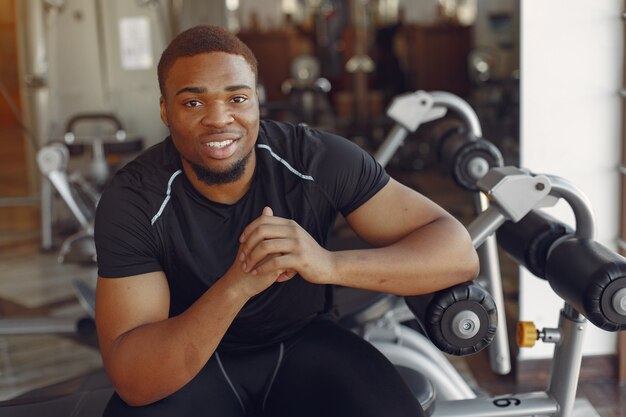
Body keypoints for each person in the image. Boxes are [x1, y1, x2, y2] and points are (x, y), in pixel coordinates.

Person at [94, 25, 479, 417]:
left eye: (237, 98)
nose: (219, 119)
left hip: (305, 343)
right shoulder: (134, 200)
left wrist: (327, 264)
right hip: (190, 362)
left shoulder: (315, 159)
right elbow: (134, 379)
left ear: (257, 101)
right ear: (165, 111)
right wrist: (236, 286)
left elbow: (457, 253)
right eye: (194, 103)